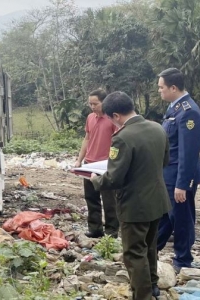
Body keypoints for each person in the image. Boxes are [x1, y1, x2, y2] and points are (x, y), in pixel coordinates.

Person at [90, 91, 171, 300]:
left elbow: (114, 178)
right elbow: (164, 162)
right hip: (157, 201)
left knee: (134, 253)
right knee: (150, 246)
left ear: (116, 115)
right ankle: (152, 285)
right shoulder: (157, 128)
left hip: (135, 205)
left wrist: (95, 180)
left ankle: (142, 295)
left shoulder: (123, 138)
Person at [156, 68, 200, 273]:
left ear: (173, 88)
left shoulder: (188, 111)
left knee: (181, 217)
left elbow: (188, 152)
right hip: (168, 173)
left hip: (179, 176)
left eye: (161, 88)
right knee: (165, 215)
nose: (159, 91)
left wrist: (183, 184)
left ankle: (183, 260)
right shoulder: (174, 109)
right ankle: (151, 249)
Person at [74, 89, 119, 238]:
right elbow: (87, 139)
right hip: (89, 163)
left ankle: (112, 231)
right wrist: (79, 160)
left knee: (109, 200)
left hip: (106, 165)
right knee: (91, 198)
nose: (93, 107)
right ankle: (95, 228)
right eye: (90, 104)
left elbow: (119, 141)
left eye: (96, 103)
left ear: (104, 102)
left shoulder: (112, 119)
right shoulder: (90, 118)